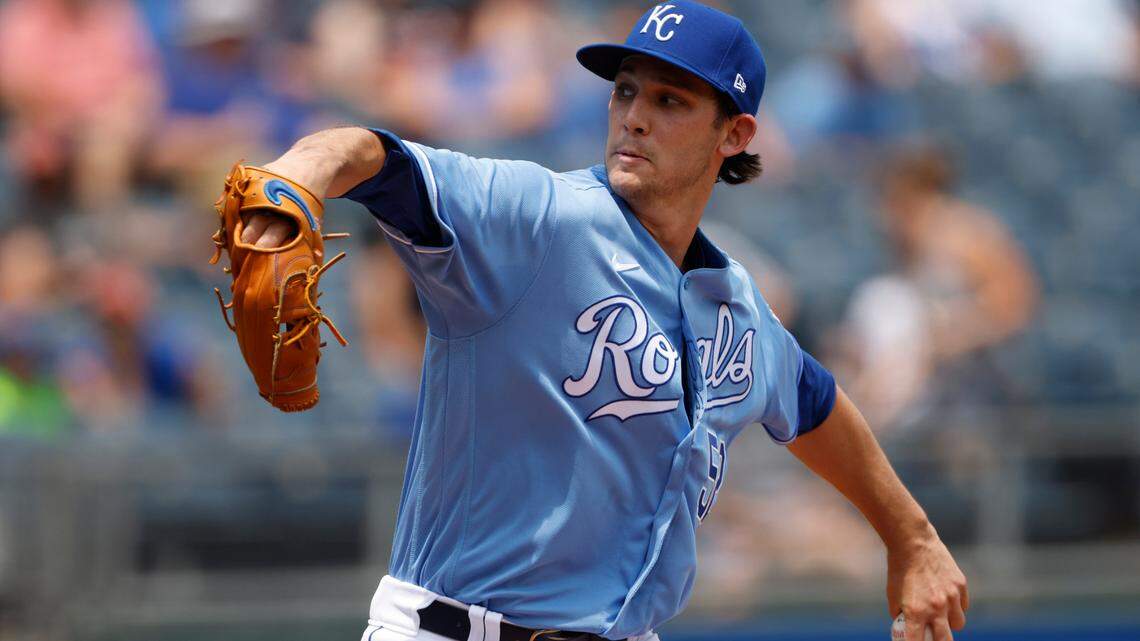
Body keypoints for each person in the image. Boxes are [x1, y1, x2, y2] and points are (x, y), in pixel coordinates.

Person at [233, 3, 967, 640]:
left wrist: (912, 536)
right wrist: (294, 182)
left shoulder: (737, 309)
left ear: (735, 134)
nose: (634, 115)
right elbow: (370, 156)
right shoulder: (535, 215)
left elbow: (815, 405)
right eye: (624, 91)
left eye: (671, 100)